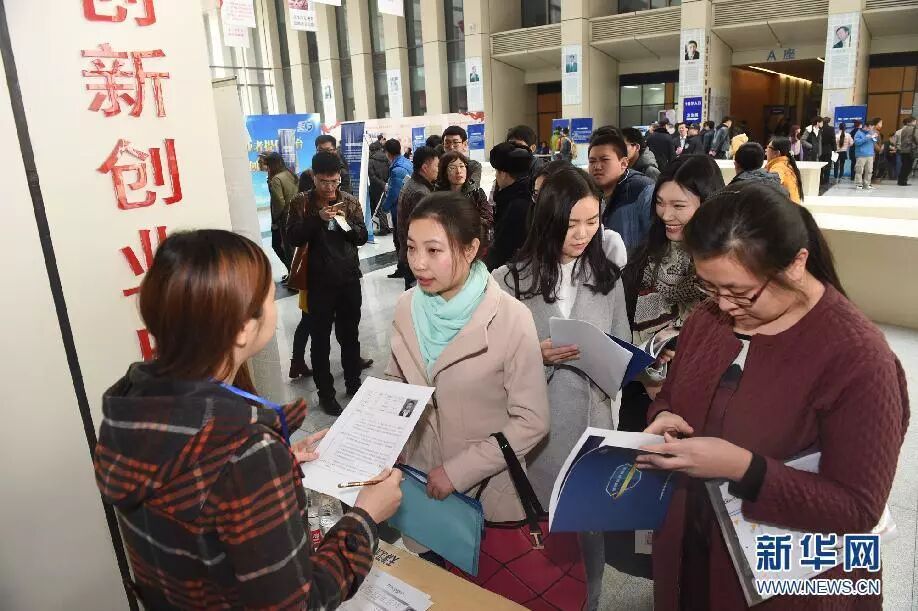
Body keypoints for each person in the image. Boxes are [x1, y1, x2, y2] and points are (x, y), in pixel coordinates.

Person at [93, 229, 404, 609]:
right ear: (242, 328)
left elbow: (199, 499)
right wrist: (365, 518)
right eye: (269, 295)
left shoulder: (133, 402)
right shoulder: (245, 452)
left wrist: (280, 460)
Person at [637, 181, 908, 611]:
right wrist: (666, 413)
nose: (724, 305)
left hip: (791, 578)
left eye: (740, 292)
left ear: (797, 263)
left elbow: (857, 509)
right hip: (696, 539)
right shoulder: (709, 321)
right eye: (710, 288)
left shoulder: (857, 357)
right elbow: (672, 391)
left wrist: (744, 468)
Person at [493, 166, 628, 611]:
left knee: (589, 542)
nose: (584, 233)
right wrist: (537, 355)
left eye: (593, 222)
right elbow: (491, 369)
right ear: (548, 218)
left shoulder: (608, 278)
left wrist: (634, 362)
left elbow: (622, 346)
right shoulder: (507, 282)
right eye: (572, 223)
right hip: (538, 434)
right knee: (540, 538)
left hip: (592, 430)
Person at [386, 191, 550, 538]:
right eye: (411, 247)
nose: (417, 263)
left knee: (483, 588)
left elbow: (533, 421)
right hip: (419, 482)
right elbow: (396, 383)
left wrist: (459, 471)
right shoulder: (405, 307)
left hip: (485, 492)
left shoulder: (510, 318)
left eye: (433, 250)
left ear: (469, 249)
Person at [619, 155, 724, 433]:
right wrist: (648, 376)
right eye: (660, 203)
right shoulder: (643, 256)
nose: (666, 215)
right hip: (643, 397)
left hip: (706, 404)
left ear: (709, 205)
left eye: (679, 206)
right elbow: (624, 326)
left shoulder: (727, 267)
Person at [287, 152, 369, 415]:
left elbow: (362, 237)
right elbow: (293, 237)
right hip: (318, 282)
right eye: (324, 182)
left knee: (350, 335)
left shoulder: (349, 201)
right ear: (313, 177)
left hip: (348, 279)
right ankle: (326, 394)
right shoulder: (301, 203)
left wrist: (344, 224)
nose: (330, 187)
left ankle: (354, 384)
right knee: (320, 340)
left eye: (335, 181)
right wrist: (318, 219)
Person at [589, 130, 655, 251]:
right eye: (592, 161)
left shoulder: (642, 189)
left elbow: (656, 239)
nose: (597, 166)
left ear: (624, 163)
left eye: (605, 160)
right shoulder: (589, 192)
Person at [397, 146, 441, 289]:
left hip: (409, 253)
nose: (438, 169)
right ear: (425, 167)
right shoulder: (420, 193)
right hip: (417, 257)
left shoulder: (412, 183)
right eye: (436, 166)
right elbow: (424, 230)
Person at [486, 141, 535, 270]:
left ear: (503, 174)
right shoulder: (532, 192)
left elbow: (502, 250)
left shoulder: (513, 205)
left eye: (497, 172)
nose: (496, 176)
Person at [435, 150, 494, 241]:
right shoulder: (437, 196)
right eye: (452, 167)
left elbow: (489, 219)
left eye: (462, 166)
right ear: (444, 172)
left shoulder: (476, 193)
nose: (458, 171)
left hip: (473, 242)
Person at [383, 139, 414, 280]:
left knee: (400, 239)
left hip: (400, 210)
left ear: (387, 153)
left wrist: (385, 207)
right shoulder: (406, 162)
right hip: (408, 207)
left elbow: (395, 193)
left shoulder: (397, 169)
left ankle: (403, 268)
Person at [263, 152, 298, 274]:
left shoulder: (276, 179)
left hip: (284, 219)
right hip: (295, 216)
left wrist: (276, 220)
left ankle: (293, 276)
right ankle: (294, 275)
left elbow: (279, 203)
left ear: (271, 165)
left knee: (284, 248)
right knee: (291, 249)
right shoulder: (289, 173)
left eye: (266, 165)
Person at [765, 136, 804, 204]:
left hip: (786, 210)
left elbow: (772, 183)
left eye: (768, 147)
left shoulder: (778, 167)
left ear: (777, 153)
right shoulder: (786, 164)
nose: (765, 150)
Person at [368, 141, 391, 235]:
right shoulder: (387, 159)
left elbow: (372, 176)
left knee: (377, 207)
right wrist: (386, 184)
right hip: (387, 185)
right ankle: (387, 226)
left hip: (375, 187)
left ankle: (384, 228)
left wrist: (381, 184)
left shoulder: (371, 161)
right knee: (384, 206)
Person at [853, 118, 881, 190]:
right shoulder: (858, 133)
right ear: (866, 126)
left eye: (872, 127)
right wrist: (866, 138)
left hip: (870, 154)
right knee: (859, 170)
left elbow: (874, 143)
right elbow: (857, 143)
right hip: (861, 155)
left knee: (869, 170)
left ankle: (867, 183)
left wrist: (874, 137)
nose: (871, 129)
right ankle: (859, 184)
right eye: (870, 127)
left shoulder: (871, 132)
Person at [897, 116, 917, 186]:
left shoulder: (904, 129)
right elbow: (916, 138)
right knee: (908, 167)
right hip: (910, 150)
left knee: (904, 166)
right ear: (912, 122)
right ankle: (903, 181)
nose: (916, 123)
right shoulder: (913, 129)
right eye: (915, 121)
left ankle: (901, 180)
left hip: (903, 150)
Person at [819, 116, 837, 186]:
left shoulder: (820, 129)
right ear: (829, 121)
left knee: (820, 165)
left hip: (820, 149)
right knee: (828, 165)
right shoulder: (831, 129)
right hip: (828, 149)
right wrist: (835, 149)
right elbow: (833, 139)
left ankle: (820, 179)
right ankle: (826, 180)